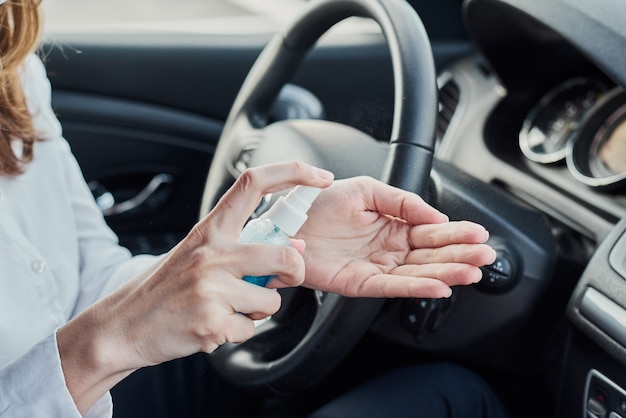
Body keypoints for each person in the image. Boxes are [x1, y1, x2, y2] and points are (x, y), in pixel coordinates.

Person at [0, 0, 509, 417]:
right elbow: (102, 328)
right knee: (454, 400)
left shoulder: (11, 68)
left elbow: (89, 280)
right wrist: (109, 340)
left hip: (87, 392)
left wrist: (268, 242)